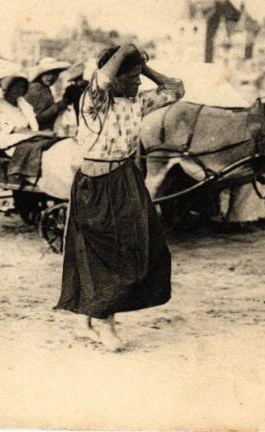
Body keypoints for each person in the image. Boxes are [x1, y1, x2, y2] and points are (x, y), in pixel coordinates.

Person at [54, 44, 185, 351]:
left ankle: (90, 318)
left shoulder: (137, 102)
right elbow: (102, 79)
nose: (139, 83)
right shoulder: (93, 102)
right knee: (103, 251)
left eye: (140, 78)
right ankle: (102, 322)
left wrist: (143, 65)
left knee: (135, 248)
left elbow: (175, 90)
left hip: (125, 179)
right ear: (117, 78)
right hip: (95, 183)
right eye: (133, 77)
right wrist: (125, 51)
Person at [25, 57, 71, 131]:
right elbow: (34, 119)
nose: (51, 77)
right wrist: (57, 107)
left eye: (55, 74)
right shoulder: (35, 89)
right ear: (41, 74)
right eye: (47, 74)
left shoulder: (45, 88)